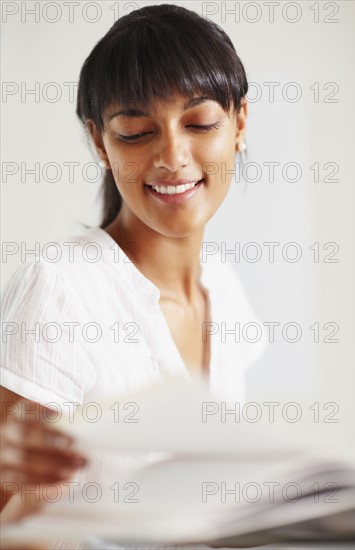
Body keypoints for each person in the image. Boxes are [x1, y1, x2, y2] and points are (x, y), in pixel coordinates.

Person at [0, 4, 266, 548]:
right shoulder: (62, 290)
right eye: (137, 131)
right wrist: (41, 501)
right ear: (100, 143)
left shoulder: (227, 290)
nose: (172, 156)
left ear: (239, 123)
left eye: (200, 123)